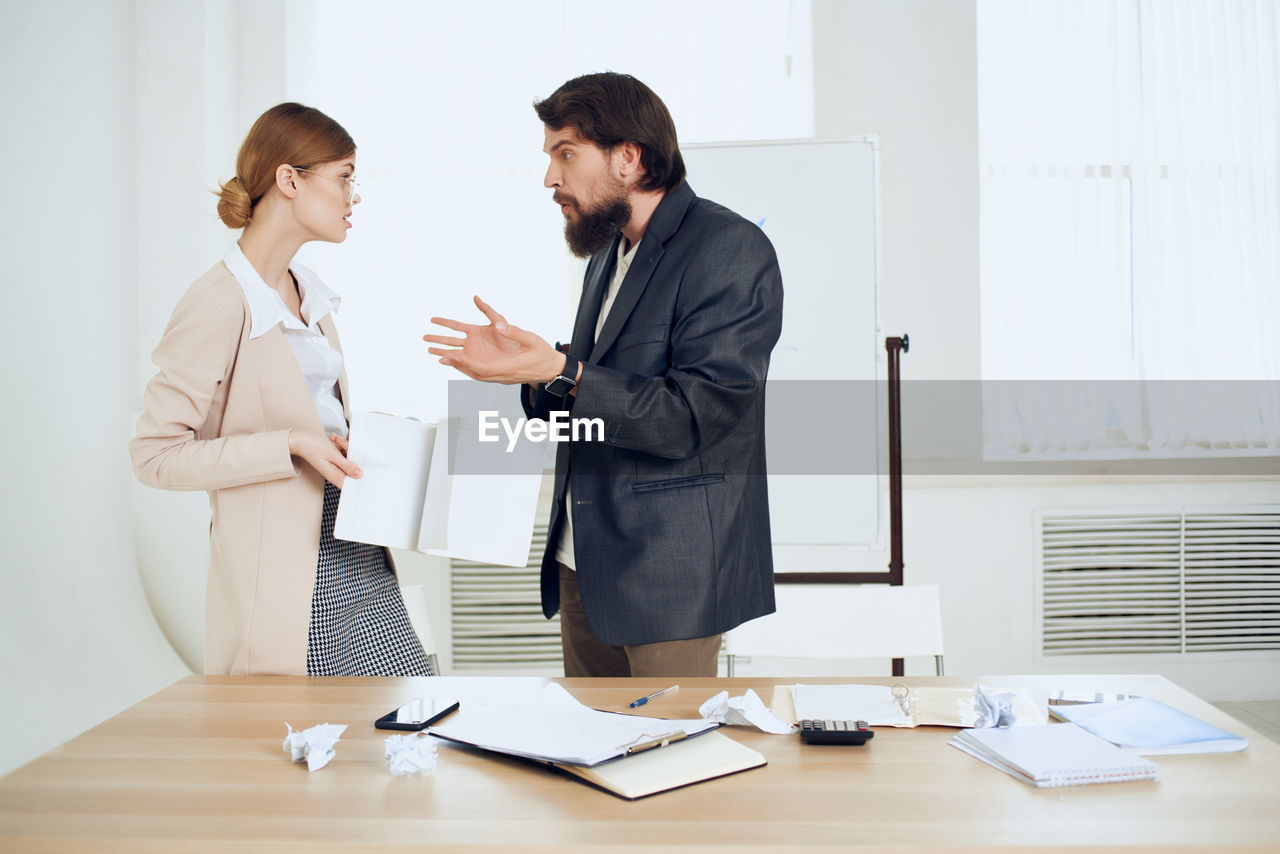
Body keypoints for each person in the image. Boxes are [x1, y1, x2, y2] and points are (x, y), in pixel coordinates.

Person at [425, 72, 783, 677]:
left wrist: (562, 370)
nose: (550, 178)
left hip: (670, 581)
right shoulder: (608, 254)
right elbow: (601, 385)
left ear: (628, 158)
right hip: (583, 563)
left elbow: (693, 415)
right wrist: (533, 371)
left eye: (565, 154)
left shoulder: (729, 249)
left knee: (669, 761)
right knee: (590, 760)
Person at [132, 103, 434, 677]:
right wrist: (290, 444)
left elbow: (314, 415)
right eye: (344, 177)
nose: (355, 195)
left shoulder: (311, 297)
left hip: (355, 543)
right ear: (290, 180)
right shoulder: (217, 302)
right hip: (287, 574)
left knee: (413, 715)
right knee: (311, 744)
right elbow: (155, 457)